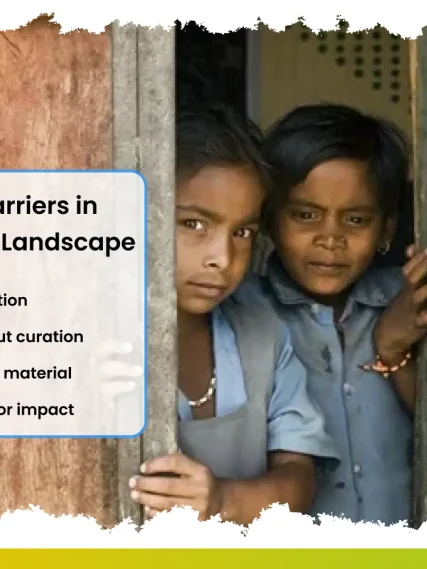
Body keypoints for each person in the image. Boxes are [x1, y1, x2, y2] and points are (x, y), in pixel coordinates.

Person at [127, 103, 337, 525]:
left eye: (242, 232)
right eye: (194, 225)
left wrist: (222, 500)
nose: (222, 258)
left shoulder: (263, 331)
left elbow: (299, 478)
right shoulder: (93, 335)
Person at [235, 103, 427, 526]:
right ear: (269, 219)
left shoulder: (412, 300)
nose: (330, 239)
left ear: (386, 228)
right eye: (306, 215)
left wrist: (394, 352)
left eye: (355, 219)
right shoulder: (240, 314)